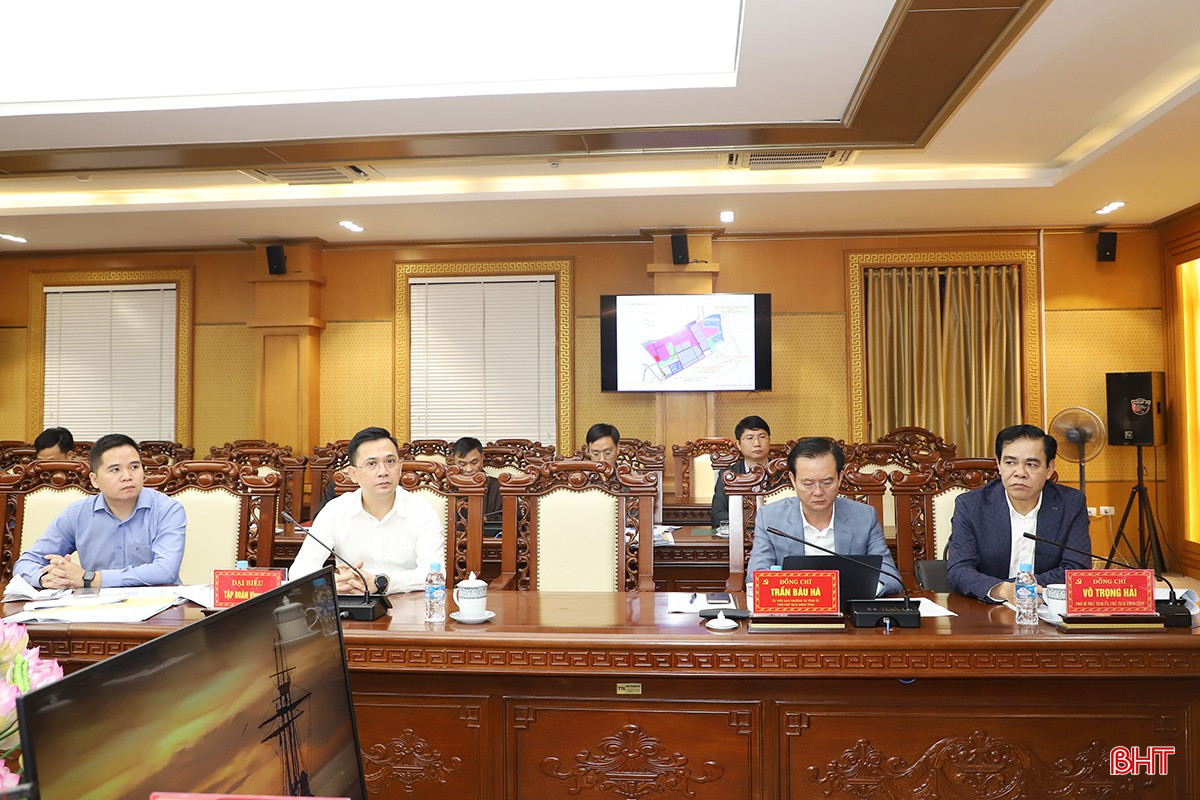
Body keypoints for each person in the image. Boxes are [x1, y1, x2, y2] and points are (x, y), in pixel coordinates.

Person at [14, 433, 187, 588]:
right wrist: (46, 578)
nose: (127, 476)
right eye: (115, 470)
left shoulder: (167, 510)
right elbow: (25, 564)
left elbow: (165, 571)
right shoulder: (77, 514)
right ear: (94, 480)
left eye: (134, 467)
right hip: (95, 607)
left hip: (158, 606)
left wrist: (90, 578)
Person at [947, 424, 1091, 603]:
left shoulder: (1071, 504)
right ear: (998, 465)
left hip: (1044, 608)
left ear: (1049, 468)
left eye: (1031, 464)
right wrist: (1001, 590)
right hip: (986, 608)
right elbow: (959, 570)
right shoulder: (971, 505)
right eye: (1010, 463)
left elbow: (1077, 569)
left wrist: (1022, 588)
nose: (1020, 473)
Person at [290, 426, 443, 595]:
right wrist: (328, 584)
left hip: (409, 604)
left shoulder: (422, 511)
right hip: (353, 604)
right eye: (371, 464)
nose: (383, 472)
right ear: (353, 474)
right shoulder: (335, 510)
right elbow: (300, 570)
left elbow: (434, 574)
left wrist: (381, 582)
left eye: (390, 462)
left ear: (400, 467)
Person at [747, 437, 903, 597]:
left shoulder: (864, 517)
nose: (818, 492)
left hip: (847, 606)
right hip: (793, 607)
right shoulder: (770, 518)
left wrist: (860, 591)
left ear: (840, 478)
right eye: (808, 483)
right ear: (793, 480)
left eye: (827, 482)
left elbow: (889, 575)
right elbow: (756, 576)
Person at [712, 415, 772, 527]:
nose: (757, 443)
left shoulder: (783, 473)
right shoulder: (728, 475)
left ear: (769, 441)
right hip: (741, 533)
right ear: (738, 445)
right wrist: (751, 520)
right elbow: (717, 516)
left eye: (762, 437)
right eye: (749, 438)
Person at [452, 436, 502, 517]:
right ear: (453, 461)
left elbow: (514, 520)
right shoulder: (446, 488)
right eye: (462, 464)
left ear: (482, 457)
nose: (469, 469)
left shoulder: (499, 488)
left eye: (474, 463)